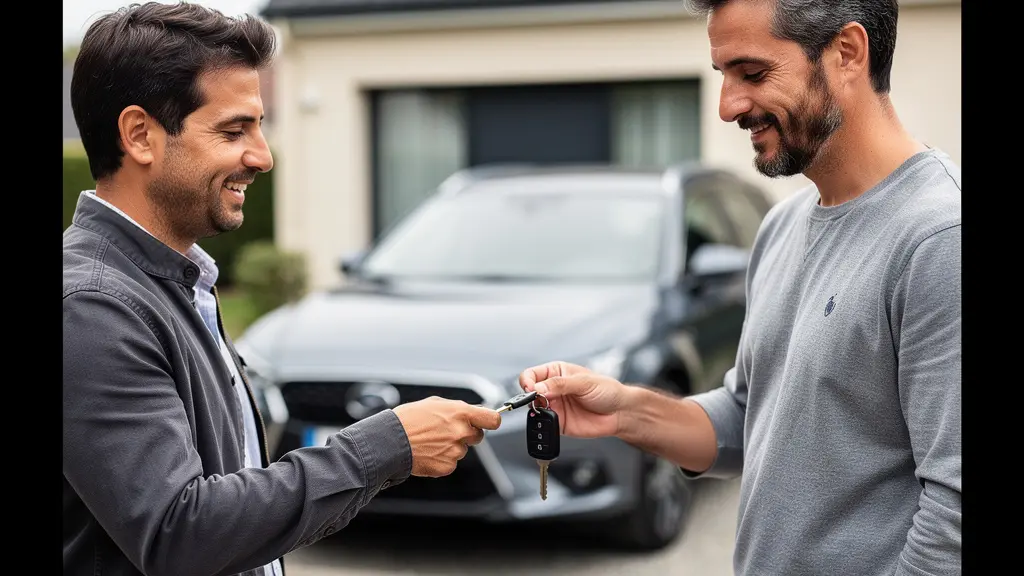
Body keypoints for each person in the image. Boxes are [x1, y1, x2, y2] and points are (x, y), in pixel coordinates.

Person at [519, 1, 960, 575]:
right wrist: (626, 411)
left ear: (847, 52)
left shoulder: (937, 240)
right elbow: (748, 419)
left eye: (752, 74)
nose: (729, 106)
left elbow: (952, 518)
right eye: (722, 76)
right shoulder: (780, 227)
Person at [62, 3, 502, 576]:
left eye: (259, 126)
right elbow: (180, 532)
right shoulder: (94, 308)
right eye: (233, 129)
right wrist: (385, 447)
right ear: (140, 135)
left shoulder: (175, 282)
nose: (262, 156)